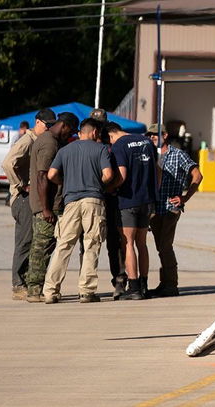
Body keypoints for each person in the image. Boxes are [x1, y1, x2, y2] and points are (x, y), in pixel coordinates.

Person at [41, 118, 119, 303]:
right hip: (93, 201)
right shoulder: (100, 149)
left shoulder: (65, 150)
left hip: (70, 202)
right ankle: (86, 291)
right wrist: (98, 183)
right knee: (92, 244)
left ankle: (50, 291)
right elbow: (108, 174)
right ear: (93, 133)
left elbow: (51, 174)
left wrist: (66, 183)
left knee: (63, 246)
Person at [2, 108, 56, 300]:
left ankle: (24, 280)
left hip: (30, 196)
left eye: (51, 124)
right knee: (24, 241)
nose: (49, 127)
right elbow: (8, 163)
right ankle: (18, 284)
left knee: (32, 240)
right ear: (37, 122)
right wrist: (20, 185)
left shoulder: (40, 141)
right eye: (46, 124)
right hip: (23, 198)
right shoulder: (28, 140)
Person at [24, 111, 79, 302]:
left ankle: (36, 288)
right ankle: (34, 290)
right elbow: (42, 176)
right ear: (63, 125)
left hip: (48, 203)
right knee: (42, 247)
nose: (70, 135)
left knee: (44, 246)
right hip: (46, 205)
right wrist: (46, 208)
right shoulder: (49, 143)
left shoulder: (51, 140)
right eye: (70, 131)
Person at [149, 125, 202, 298]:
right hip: (154, 208)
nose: (152, 138)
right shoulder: (150, 154)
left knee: (165, 246)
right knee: (160, 247)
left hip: (171, 207)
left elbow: (197, 175)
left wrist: (185, 197)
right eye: (149, 135)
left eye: (155, 135)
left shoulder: (178, 154)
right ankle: (164, 283)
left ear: (164, 135)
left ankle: (171, 284)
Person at [112, 120, 157, 299]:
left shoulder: (119, 145)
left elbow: (121, 175)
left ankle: (134, 287)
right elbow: (157, 170)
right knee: (142, 243)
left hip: (128, 200)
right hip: (147, 199)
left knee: (128, 243)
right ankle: (145, 284)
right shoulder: (146, 141)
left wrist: (111, 188)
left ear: (111, 134)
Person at [100, 123, 129, 298]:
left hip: (120, 200)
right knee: (113, 244)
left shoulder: (120, 148)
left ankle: (124, 280)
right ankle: (119, 279)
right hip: (107, 200)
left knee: (123, 242)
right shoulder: (101, 148)